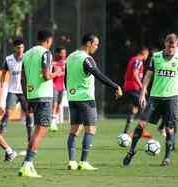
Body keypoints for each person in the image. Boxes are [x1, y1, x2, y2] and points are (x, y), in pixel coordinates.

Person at [123, 33, 178, 167]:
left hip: (171, 99)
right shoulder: (156, 57)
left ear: (177, 45)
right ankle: (131, 151)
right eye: (168, 46)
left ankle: (167, 158)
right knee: (141, 125)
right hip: (155, 98)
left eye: (173, 47)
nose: (171, 49)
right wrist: (142, 94)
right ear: (165, 44)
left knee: (169, 129)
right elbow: (148, 76)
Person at [66, 33, 123, 171]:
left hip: (72, 98)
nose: (97, 47)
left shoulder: (71, 56)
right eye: (96, 44)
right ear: (89, 43)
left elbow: (65, 79)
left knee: (74, 130)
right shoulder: (86, 59)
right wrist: (115, 86)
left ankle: (71, 162)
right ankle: (83, 162)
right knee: (90, 129)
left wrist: (70, 92)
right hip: (85, 99)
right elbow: (98, 74)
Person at [18, 30, 62, 178]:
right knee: (41, 130)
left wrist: (27, 98)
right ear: (48, 41)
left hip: (32, 95)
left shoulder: (27, 54)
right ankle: (27, 164)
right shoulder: (46, 53)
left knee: (38, 129)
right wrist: (57, 72)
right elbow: (46, 75)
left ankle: (27, 164)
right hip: (44, 96)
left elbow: (22, 79)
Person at [0, 37, 34, 145]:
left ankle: (30, 138)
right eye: (18, 47)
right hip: (12, 90)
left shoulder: (27, 58)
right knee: (8, 112)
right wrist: (1, 84)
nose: (20, 50)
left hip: (25, 91)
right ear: (14, 48)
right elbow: (3, 73)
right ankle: (1, 131)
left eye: (22, 47)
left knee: (29, 114)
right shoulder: (8, 59)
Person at [121, 47, 150, 137]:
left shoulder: (133, 59)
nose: (147, 57)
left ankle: (125, 132)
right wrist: (142, 87)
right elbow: (135, 73)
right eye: (147, 55)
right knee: (145, 106)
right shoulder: (138, 61)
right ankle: (141, 131)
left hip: (129, 87)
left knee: (135, 109)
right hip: (133, 87)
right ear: (144, 54)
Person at [50, 47, 67, 131]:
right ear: (57, 54)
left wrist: (62, 72)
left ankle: (54, 120)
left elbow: (67, 72)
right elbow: (48, 73)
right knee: (54, 103)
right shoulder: (52, 63)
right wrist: (55, 73)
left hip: (62, 86)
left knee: (59, 104)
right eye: (62, 53)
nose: (64, 55)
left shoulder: (65, 62)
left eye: (64, 53)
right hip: (54, 85)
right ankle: (52, 122)